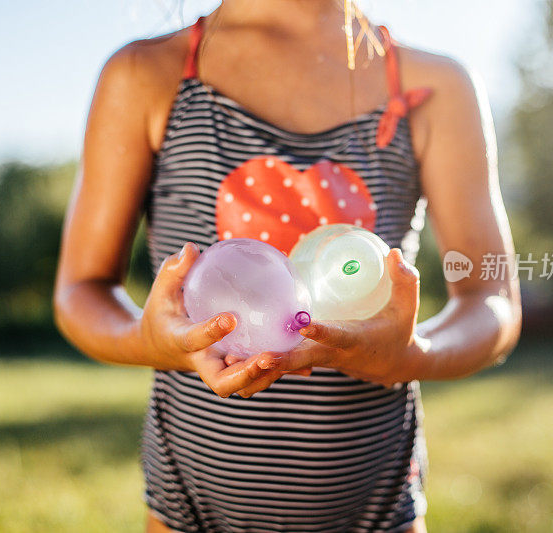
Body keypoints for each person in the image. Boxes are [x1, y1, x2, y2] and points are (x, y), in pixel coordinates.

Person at [53, 1, 522, 531]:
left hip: (377, 511)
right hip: (191, 512)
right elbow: (81, 289)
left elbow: (492, 298)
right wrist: (152, 343)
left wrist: (411, 356)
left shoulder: (432, 84)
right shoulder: (147, 74)